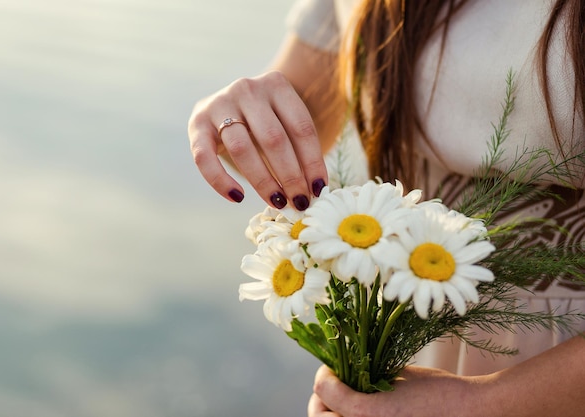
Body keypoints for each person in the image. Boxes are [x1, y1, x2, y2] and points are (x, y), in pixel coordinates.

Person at [188, 0, 585, 416]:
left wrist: (481, 405)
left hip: (557, 371)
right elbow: (307, 112)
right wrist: (239, 121)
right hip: (407, 327)